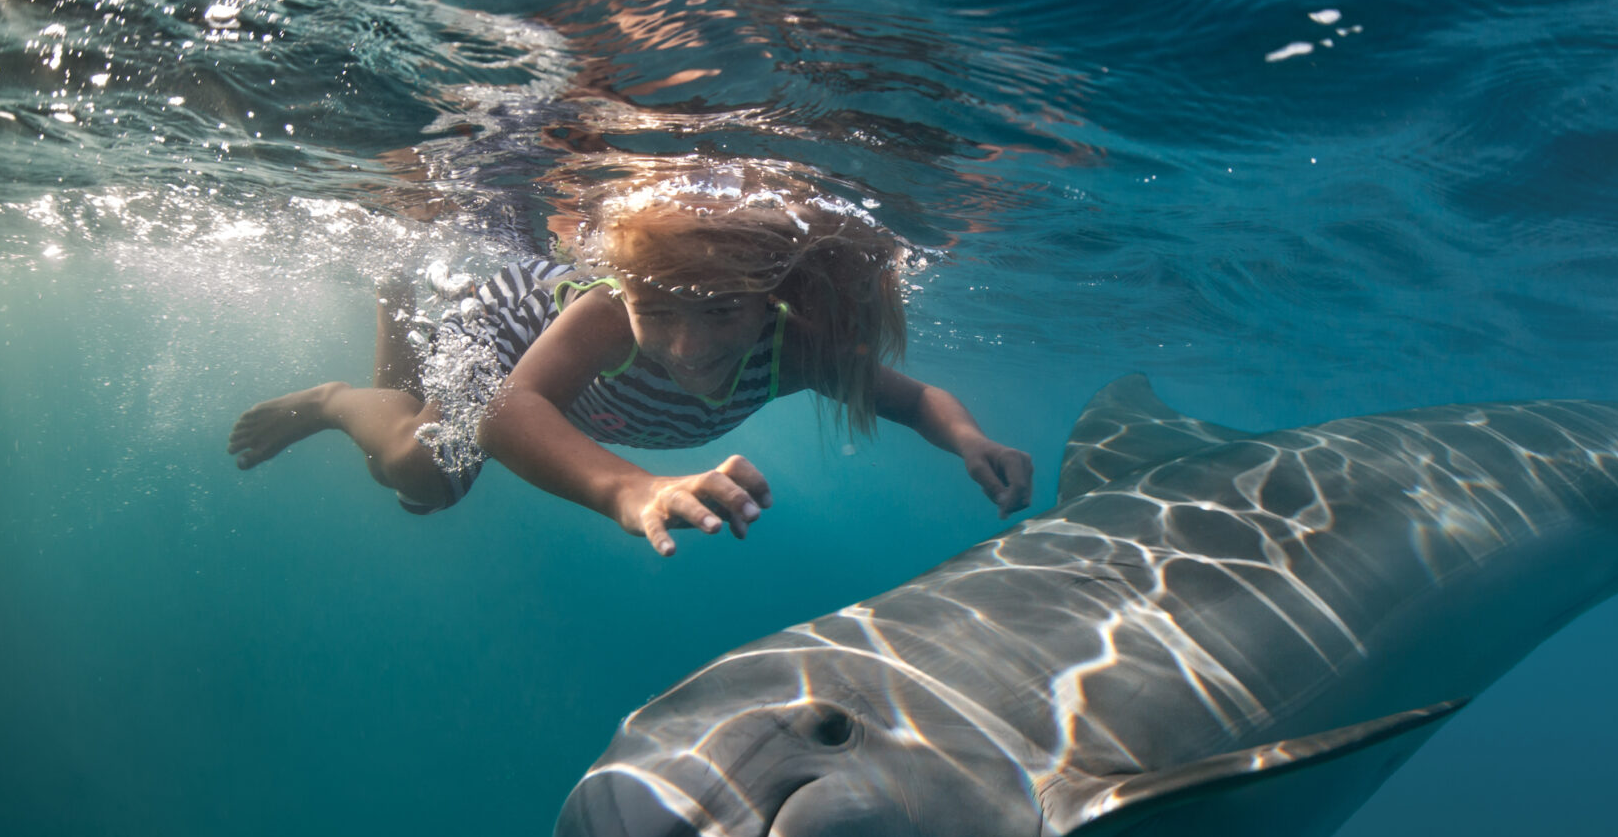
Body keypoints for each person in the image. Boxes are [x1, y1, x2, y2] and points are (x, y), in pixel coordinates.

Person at [227, 167, 1033, 555]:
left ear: (769, 299)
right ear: (629, 295)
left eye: (721, 312)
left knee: (421, 466)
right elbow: (509, 410)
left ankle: (395, 288)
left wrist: (971, 440)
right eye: (662, 313)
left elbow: (913, 397)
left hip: (552, 346)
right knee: (425, 474)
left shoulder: (795, 347)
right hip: (513, 322)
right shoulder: (611, 315)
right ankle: (335, 398)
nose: (688, 348)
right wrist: (632, 487)